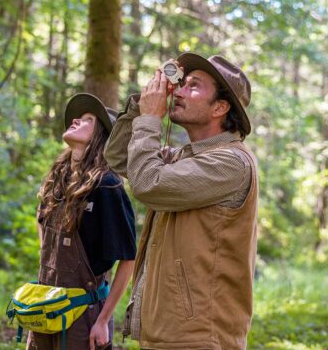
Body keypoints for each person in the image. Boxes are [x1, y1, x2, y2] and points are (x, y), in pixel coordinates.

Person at [104, 53, 258, 349]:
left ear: (220, 107)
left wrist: (150, 119)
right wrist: (142, 105)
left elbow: (147, 183)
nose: (181, 91)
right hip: (169, 334)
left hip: (198, 339)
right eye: (182, 83)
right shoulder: (183, 158)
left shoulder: (232, 163)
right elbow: (120, 157)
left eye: (194, 86)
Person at [29, 93, 137, 350]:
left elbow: (128, 259)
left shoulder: (107, 187)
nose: (76, 120)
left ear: (101, 138)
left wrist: (103, 319)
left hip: (83, 318)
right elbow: (42, 229)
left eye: (88, 119)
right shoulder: (58, 179)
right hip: (46, 307)